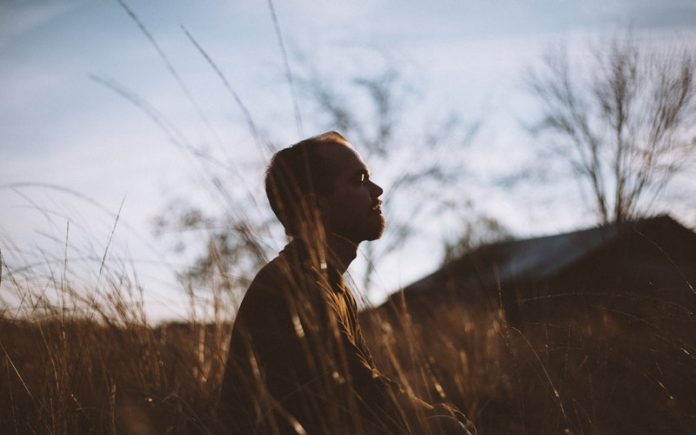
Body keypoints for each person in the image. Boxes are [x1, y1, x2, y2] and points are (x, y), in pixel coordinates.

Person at [218, 132, 472, 434]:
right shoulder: (294, 286)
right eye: (359, 179)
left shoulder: (331, 284)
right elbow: (358, 390)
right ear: (315, 208)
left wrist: (432, 414)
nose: (377, 190)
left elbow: (364, 383)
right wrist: (434, 420)